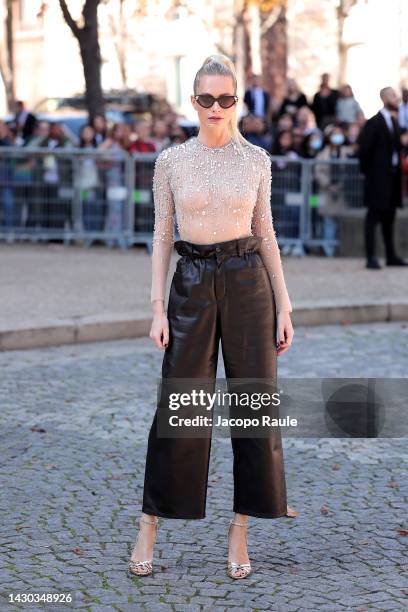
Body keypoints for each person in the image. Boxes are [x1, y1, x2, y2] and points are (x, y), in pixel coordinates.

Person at [128, 54, 297, 582]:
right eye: (207, 98)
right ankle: (149, 522)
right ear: (193, 101)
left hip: (250, 283)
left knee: (253, 407)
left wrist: (286, 304)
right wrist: (156, 307)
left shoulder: (257, 161)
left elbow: (266, 233)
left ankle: (241, 526)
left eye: (227, 98)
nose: (217, 107)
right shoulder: (171, 161)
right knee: (180, 406)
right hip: (192, 285)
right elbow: (161, 236)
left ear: (238, 100)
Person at [358, 87, 408, 268]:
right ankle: (371, 257)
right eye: (394, 96)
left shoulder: (394, 122)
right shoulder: (374, 123)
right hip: (377, 179)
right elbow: (364, 151)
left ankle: (391, 255)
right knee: (373, 217)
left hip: (393, 178)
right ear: (385, 98)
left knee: (390, 217)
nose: (397, 99)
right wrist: (367, 173)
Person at [315, 125, 354, 256]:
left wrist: (341, 184)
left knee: (341, 222)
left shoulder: (347, 152)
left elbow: (351, 171)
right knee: (328, 221)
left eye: (339, 133)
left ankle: (341, 249)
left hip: (342, 192)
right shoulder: (322, 154)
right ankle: (329, 249)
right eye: (334, 134)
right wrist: (328, 184)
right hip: (327, 192)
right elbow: (318, 171)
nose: (337, 137)